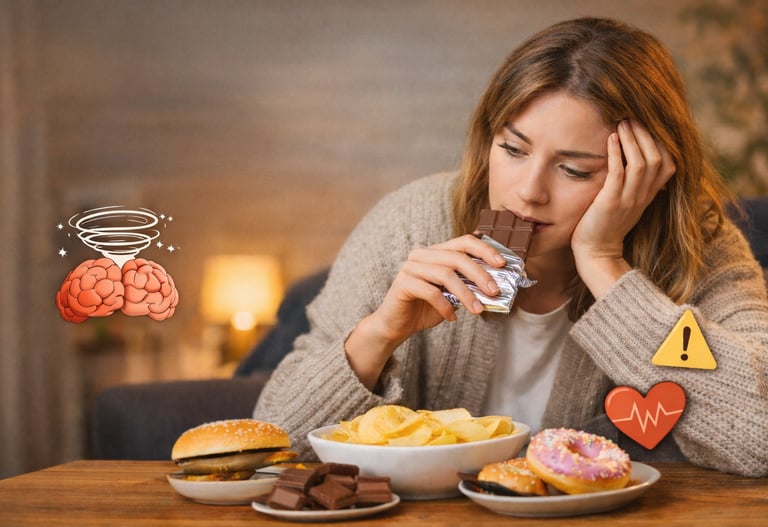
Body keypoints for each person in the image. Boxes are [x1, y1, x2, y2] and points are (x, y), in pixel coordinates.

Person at [254, 17, 768, 477]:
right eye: (513, 149)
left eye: (574, 169)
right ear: (487, 139)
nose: (529, 191)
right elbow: (269, 444)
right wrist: (380, 334)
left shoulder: (700, 246)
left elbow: (759, 439)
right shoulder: (410, 223)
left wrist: (605, 265)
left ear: (647, 174)